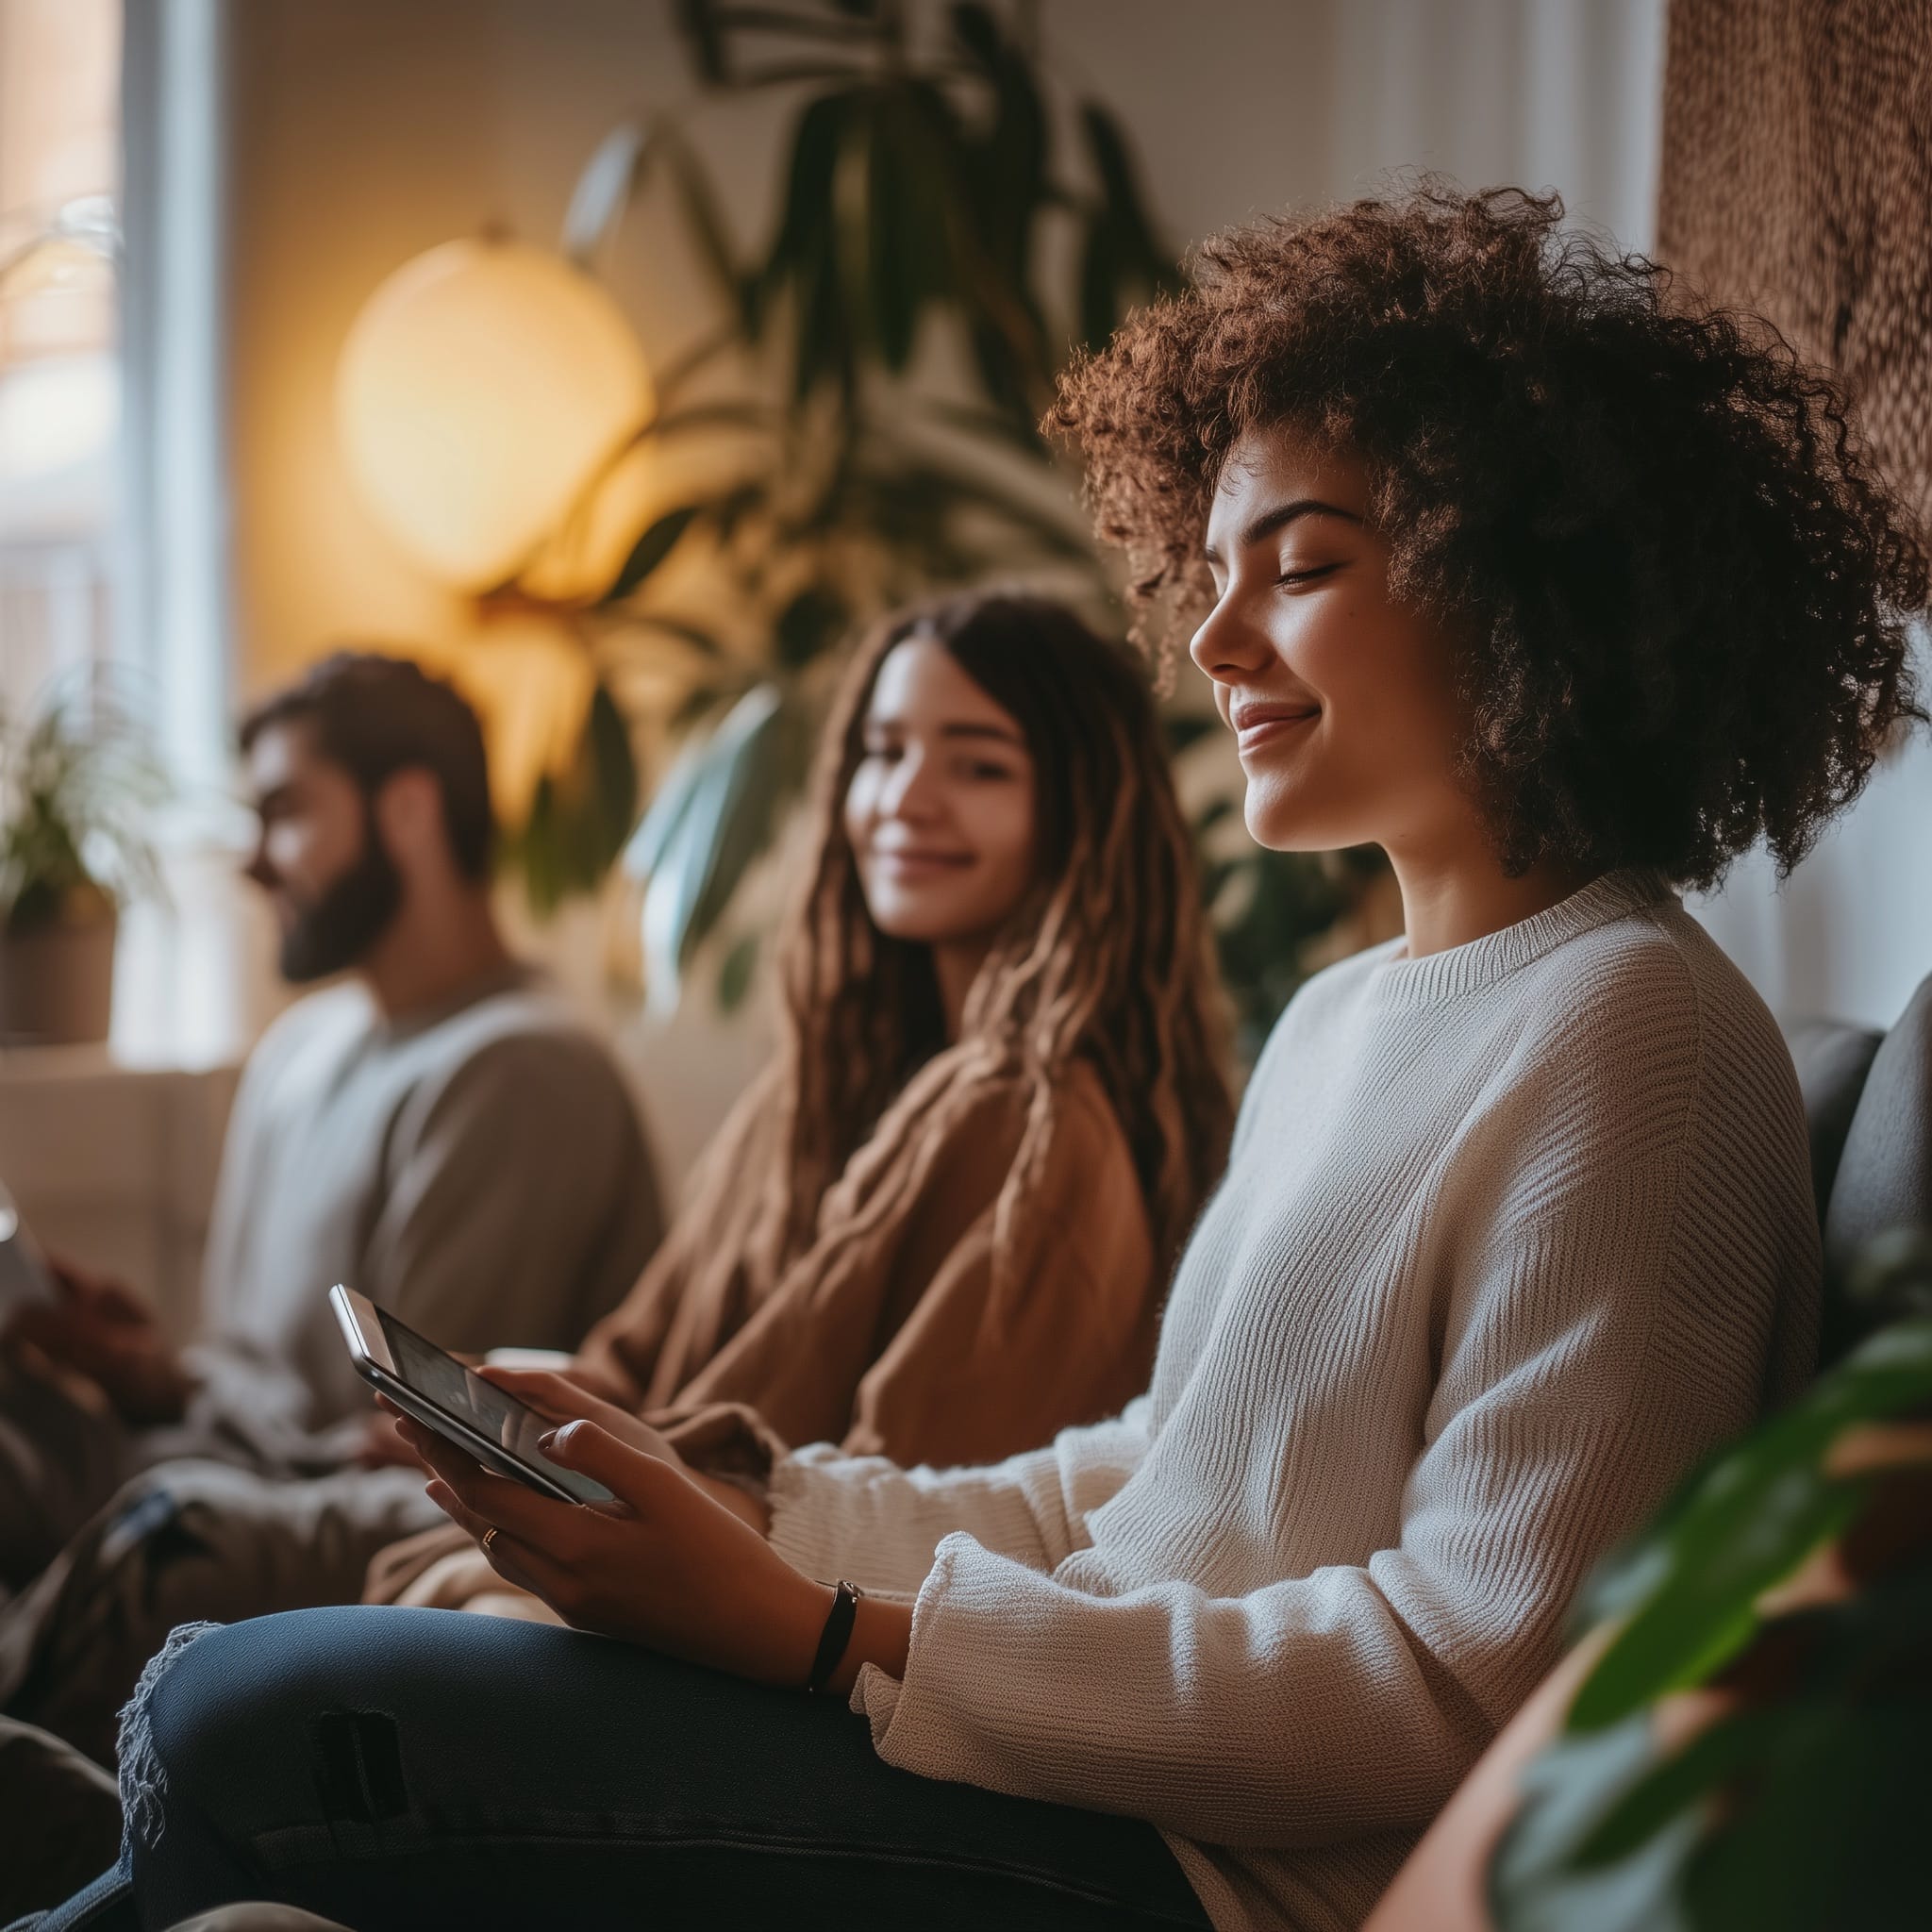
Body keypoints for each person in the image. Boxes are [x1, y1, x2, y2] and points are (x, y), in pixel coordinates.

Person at [47, 185, 1928, 1932]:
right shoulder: (1356, 1014)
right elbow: (1140, 1479)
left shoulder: (1639, 1039)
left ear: (1525, 583)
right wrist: (742, 1508)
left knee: (239, 1708)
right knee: (236, 1696)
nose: (1212, 633)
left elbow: (1459, 1683)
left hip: (1198, 1877)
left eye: (1300, 563)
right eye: (1209, 565)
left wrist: (823, 1634)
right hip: (1045, 1770)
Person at [364, 590, 1234, 1616]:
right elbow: (636, 1362)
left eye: (979, 764)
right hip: (648, 1519)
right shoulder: (816, 1090)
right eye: (882, 750)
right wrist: (488, 1407)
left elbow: (905, 1524)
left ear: (1081, 814)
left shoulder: (1038, 1133)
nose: (905, 798)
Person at [0, 653, 662, 1767]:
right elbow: (270, 1382)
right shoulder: (299, 1050)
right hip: (221, 1451)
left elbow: (400, 1439)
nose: (254, 860)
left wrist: (187, 1400)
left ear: (407, 807)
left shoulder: (519, 1071)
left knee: (143, 1518)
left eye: (285, 811)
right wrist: (153, 1367)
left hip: (312, 1510)